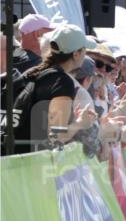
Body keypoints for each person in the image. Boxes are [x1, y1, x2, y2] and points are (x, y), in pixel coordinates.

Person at [8, 25, 99, 154]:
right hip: (29, 164)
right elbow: (56, 136)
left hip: (12, 159)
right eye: (84, 51)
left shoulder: (34, 72)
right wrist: (80, 124)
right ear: (76, 54)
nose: (85, 56)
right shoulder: (62, 82)